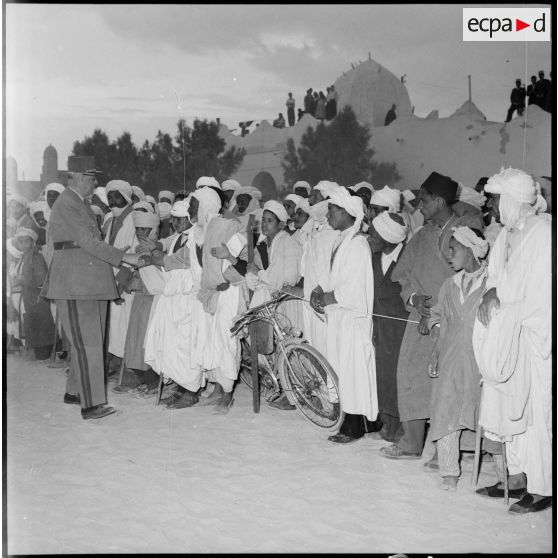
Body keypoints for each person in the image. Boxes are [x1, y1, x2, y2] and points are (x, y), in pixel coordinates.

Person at [380, 171, 484, 460]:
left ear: (439, 201)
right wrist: (414, 298)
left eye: (424, 201)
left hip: (456, 321)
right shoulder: (422, 235)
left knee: (451, 384)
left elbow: (476, 272)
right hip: (420, 319)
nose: (419, 207)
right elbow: (402, 275)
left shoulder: (467, 230)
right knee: (410, 375)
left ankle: (448, 449)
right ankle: (412, 442)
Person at [474, 168, 551, 514]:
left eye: (494, 199)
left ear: (511, 199)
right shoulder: (506, 234)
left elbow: (544, 296)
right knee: (508, 408)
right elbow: (494, 277)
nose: (490, 205)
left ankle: (542, 487)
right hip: (506, 336)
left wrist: (507, 309)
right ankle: (516, 478)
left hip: (533, 339)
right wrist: (491, 293)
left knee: (536, 415)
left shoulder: (543, 233)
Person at [41, 169, 139, 420]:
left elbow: (89, 244)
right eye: (91, 178)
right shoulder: (67, 203)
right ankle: (92, 405)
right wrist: (123, 256)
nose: (95, 183)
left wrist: (116, 254)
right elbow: (86, 242)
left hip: (89, 281)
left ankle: (75, 391)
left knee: (89, 342)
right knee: (88, 344)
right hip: (76, 283)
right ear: (76, 178)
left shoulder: (79, 202)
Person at [420, 227, 489, 491]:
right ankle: (449, 470)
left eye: (453, 249)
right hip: (451, 356)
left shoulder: (492, 283)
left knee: (483, 411)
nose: (449, 255)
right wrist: (436, 352)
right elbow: (441, 319)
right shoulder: (450, 285)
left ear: (470, 249)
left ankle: (504, 470)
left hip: (480, 360)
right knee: (446, 408)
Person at [311, 187, 377, 443]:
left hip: (352, 319)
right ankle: (353, 420)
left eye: (333, 210)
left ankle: (354, 426)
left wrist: (328, 297)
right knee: (341, 368)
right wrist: (320, 289)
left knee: (353, 371)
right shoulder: (342, 240)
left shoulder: (358, 244)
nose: (328, 215)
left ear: (348, 212)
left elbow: (355, 289)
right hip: (339, 318)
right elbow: (333, 278)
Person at [243, 200, 302, 410]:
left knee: (285, 348)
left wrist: (257, 272)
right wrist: (256, 274)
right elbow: (264, 277)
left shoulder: (286, 242)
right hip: (273, 298)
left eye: (270, 221)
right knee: (270, 344)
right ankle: (282, 387)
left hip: (285, 301)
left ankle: (293, 393)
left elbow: (278, 278)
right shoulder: (270, 244)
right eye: (264, 220)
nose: (265, 224)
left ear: (281, 224)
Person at [367, 212, 409, 443]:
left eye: (373, 234)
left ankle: (402, 427)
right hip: (379, 326)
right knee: (381, 375)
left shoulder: (407, 257)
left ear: (387, 236)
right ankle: (387, 422)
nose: (369, 238)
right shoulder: (373, 257)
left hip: (400, 330)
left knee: (399, 377)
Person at [112, 210, 163, 396]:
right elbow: (132, 269)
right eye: (138, 229)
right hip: (140, 301)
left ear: (153, 230)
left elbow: (157, 275)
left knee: (147, 343)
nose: (140, 233)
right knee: (135, 341)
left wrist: (120, 257)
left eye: (145, 229)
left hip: (155, 302)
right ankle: (142, 380)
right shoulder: (138, 248)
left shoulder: (158, 249)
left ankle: (153, 383)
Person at [104, 180, 138, 376]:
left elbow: (136, 254)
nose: (112, 201)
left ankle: (129, 373)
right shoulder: (111, 221)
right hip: (110, 281)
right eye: (109, 197)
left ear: (126, 197)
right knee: (114, 328)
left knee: (124, 327)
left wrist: (120, 283)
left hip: (125, 282)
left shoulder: (134, 219)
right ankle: (116, 365)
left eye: (116, 197)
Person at [10, 227, 55, 360]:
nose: (24, 244)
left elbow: (41, 279)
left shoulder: (36, 257)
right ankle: (40, 352)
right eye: (21, 242)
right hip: (28, 297)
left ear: (32, 242)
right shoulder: (24, 257)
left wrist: (21, 279)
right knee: (34, 324)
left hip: (36, 297)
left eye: (26, 241)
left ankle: (45, 353)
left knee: (41, 325)